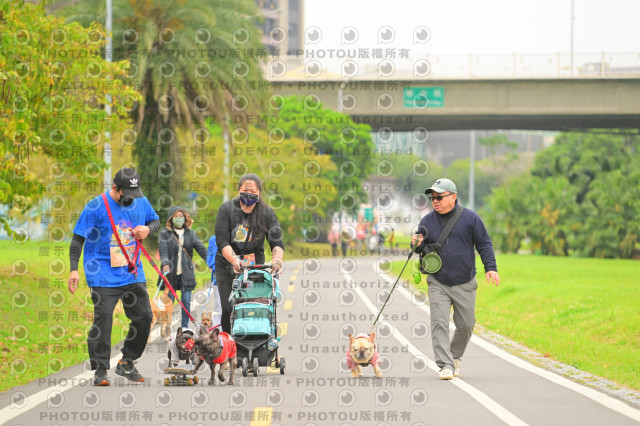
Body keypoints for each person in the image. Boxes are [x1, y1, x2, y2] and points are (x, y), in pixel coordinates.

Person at [67, 168, 160, 386]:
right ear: (115, 188)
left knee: (144, 316)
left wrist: (147, 230)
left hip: (132, 271)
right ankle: (101, 369)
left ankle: (127, 361)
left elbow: (155, 220)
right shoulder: (95, 206)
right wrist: (73, 269)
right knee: (104, 319)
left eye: (134, 194)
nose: (131, 198)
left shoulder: (141, 201)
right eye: (127, 194)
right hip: (102, 273)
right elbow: (78, 238)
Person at [411, 178, 500, 380]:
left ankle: (454, 356)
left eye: (439, 197)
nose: (435, 201)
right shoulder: (426, 221)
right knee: (439, 323)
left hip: (465, 281)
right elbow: (419, 247)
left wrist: (491, 268)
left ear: (453, 197)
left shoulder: (470, 218)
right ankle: (445, 365)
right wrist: (416, 243)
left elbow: (484, 243)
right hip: (438, 281)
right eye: (433, 198)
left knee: (466, 324)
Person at [214, 174, 284, 333]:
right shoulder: (226, 209)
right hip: (227, 264)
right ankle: (229, 342)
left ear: (259, 193)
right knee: (228, 308)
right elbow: (221, 240)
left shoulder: (267, 213)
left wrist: (277, 260)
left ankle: (252, 338)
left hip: (254, 266)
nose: (249, 193)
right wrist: (234, 261)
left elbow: (277, 243)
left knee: (251, 306)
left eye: (253, 191)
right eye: (245, 190)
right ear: (239, 190)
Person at [158, 206, 208, 329]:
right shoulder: (165, 234)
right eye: (176, 216)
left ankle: (184, 328)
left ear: (185, 218)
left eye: (181, 216)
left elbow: (202, 250)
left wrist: (211, 262)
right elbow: (163, 252)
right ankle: (167, 328)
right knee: (169, 303)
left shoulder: (191, 234)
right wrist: (165, 264)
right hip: (170, 274)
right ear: (171, 219)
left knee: (186, 302)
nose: (178, 218)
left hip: (186, 274)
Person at [206, 235, 223, 327]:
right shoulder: (213, 239)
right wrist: (212, 266)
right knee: (218, 304)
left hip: (233, 275)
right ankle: (219, 326)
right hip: (217, 274)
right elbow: (210, 255)